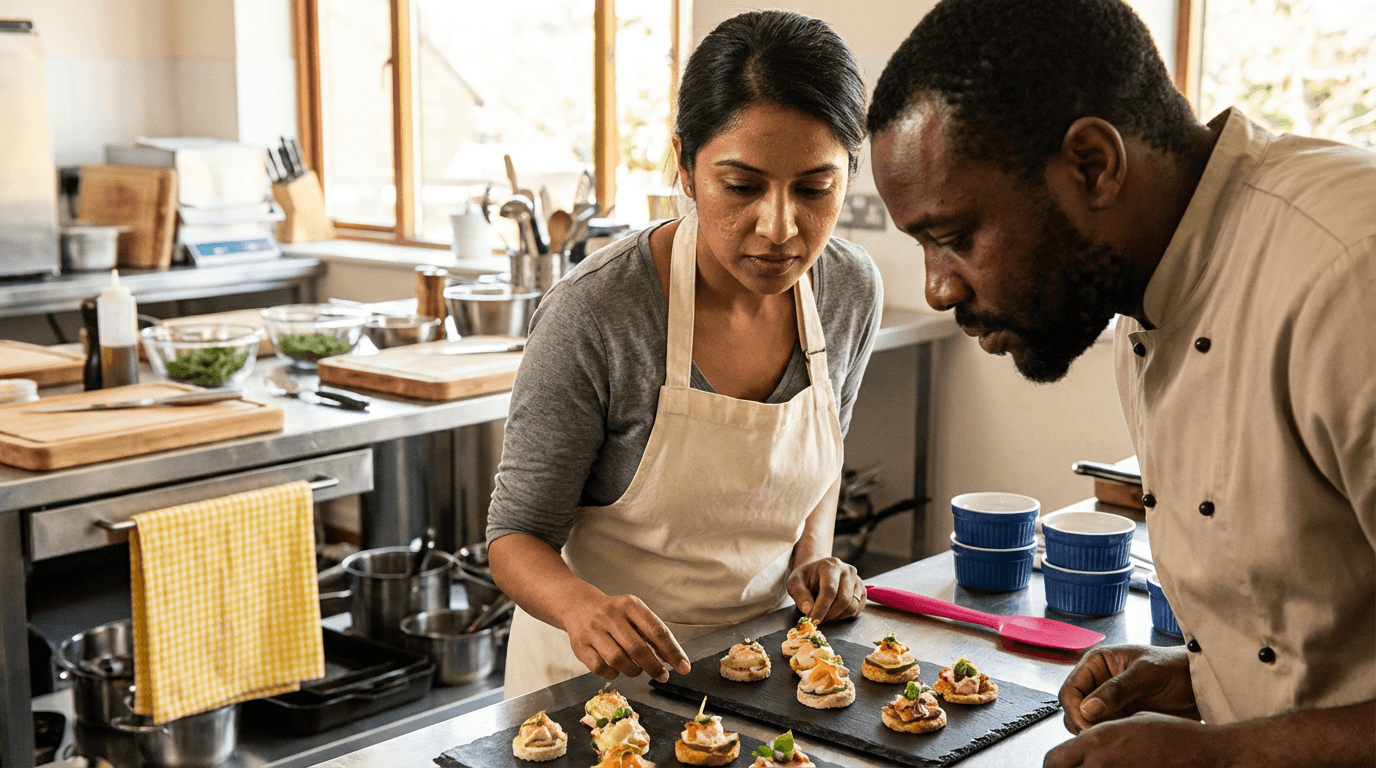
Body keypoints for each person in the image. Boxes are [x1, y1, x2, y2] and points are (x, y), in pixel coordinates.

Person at [866, 0, 1375, 764]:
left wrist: (1227, 755)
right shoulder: (1141, 296)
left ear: (1093, 166)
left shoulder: (1348, 276)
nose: (939, 289)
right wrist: (1210, 678)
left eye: (954, 237)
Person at [486, 9, 883, 699]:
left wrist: (815, 556)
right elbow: (516, 536)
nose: (780, 227)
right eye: (742, 186)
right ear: (685, 165)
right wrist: (585, 609)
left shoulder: (848, 290)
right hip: (593, 690)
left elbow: (824, 457)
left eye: (816, 189)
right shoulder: (599, 312)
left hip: (757, 673)